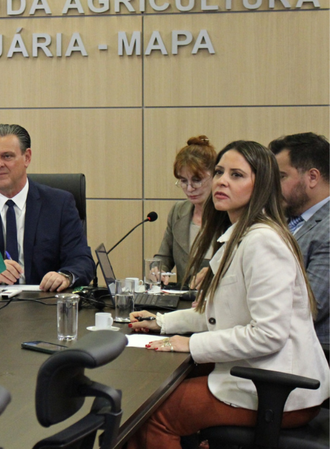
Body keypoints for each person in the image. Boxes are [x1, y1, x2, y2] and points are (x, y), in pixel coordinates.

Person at [127, 141, 330, 449]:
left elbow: (269, 334)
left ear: (261, 185)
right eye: (220, 172)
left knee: (152, 416)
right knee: (157, 393)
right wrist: (163, 322)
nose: (222, 181)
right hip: (257, 374)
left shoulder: (262, 241)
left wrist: (192, 344)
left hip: (278, 388)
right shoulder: (240, 234)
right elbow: (219, 313)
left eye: (237, 175)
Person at [0, 124, 94, 291]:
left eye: (7, 156)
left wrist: (65, 276)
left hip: (42, 300)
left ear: (27, 158)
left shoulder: (59, 204)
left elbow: (82, 261)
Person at [269, 132, 329, 347]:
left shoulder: (327, 229)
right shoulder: (282, 220)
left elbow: (310, 308)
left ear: (312, 177)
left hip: (313, 353)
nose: (273, 187)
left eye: (281, 177)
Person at [153, 136, 216, 286]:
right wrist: (158, 270)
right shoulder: (178, 211)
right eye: (183, 181)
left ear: (215, 176)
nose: (189, 188)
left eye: (196, 180)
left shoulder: (230, 215)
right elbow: (163, 257)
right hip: (185, 297)